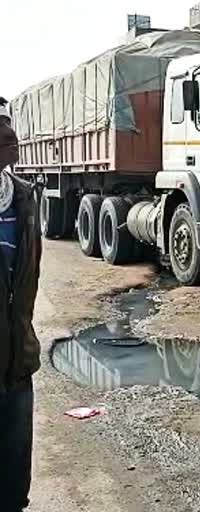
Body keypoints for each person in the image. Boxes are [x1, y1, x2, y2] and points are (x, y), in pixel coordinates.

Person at [0, 96, 42, 512]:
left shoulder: (23, 200)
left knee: (13, 491)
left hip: (15, 367)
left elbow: (28, 281)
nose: (8, 134)